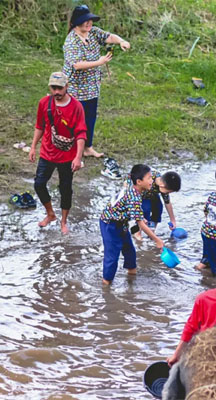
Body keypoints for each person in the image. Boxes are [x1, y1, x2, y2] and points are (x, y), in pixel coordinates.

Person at [63, 4, 131, 158]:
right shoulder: (71, 41)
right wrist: (99, 62)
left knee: (90, 118)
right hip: (76, 87)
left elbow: (108, 36)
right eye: (85, 21)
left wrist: (121, 41)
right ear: (76, 22)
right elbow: (77, 64)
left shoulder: (92, 32)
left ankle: (87, 147)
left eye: (90, 20)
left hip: (92, 86)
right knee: (75, 119)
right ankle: (72, 150)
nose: (89, 23)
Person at [29, 72, 87, 235]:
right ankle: (50, 214)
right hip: (47, 153)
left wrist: (78, 157)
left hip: (68, 156)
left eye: (60, 88)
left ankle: (63, 221)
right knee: (39, 184)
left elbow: (81, 133)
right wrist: (33, 146)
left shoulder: (76, 107)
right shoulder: (44, 103)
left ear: (66, 87)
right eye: (54, 88)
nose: (57, 92)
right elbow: (39, 126)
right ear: (50, 87)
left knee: (65, 188)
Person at [99, 164, 164, 285]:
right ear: (139, 181)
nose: (152, 180)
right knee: (112, 255)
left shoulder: (135, 189)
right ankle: (106, 284)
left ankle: (132, 276)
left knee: (129, 250)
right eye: (149, 178)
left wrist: (139, 216)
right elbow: (140, 223)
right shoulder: (134, 196)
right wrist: (156, 239)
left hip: (121, 222)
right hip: (109, 224)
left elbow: (132, 211)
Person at [131, 171, 182, 240]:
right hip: (139, 197)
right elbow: (133, 199)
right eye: (168, 192)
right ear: (162, 186)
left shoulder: (163, 184)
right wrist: (139, 215)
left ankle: (151, 230)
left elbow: (167, 202)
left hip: (152, 195)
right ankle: (137, 233)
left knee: (158, 208)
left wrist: (173, 220)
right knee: (145, 210)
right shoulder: (147, 180)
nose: (167, 194)